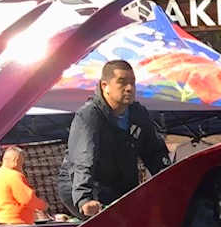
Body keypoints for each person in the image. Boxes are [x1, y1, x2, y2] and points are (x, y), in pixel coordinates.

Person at [60, 60, 170, 218]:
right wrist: (84, 198)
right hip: (81, 186)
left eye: (133, 83)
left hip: (118, 182)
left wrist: (171, 183)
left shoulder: (139, 114)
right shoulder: (89, 116)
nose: (130, 88)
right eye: (122, 82)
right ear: (104, 86)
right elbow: (83, 159)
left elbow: (155, 153)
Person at [0, 146, 47, 225]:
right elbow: (27, 199)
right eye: (21, 164)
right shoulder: (14, 176)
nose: (21, 168)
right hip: (16, 223)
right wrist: (43, 205)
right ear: (16, 161)